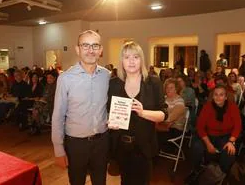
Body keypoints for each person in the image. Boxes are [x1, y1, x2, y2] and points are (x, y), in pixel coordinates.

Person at [52, 30, 110, 185]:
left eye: (95, 46)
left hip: (102, 143)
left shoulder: (107, 76)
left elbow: (110, 106)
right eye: (85, 45)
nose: (90, 50)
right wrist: (58, 149)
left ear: (100, 50)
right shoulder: (65, 79)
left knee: (100, 182)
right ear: (77, 49)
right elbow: (57, 116)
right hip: (76, 145)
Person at [107, 41, 168, 185]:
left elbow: (164, 114)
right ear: (121, 61)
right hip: (121, 147)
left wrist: (143, 112)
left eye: (136, 57)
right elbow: (108, 112)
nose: (132, 61)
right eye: (127, 57)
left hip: (144, 147)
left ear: (142, 60)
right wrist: (110, 122)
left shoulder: (153, 82)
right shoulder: (114, 84)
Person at [185, 85, 242, 184]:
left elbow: (237, 126)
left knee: (229, 152)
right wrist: (208, 144)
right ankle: (195, 171)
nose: (218, 97)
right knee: (196, 147)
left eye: (221, 95)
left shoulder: (233, 107)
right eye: (216, 95)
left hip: (226, 136)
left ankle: (221, 175)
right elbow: (200, 127)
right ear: (213, 96)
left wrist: (231, 142)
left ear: (225, 97)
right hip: (208, 135)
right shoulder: (207, 107)